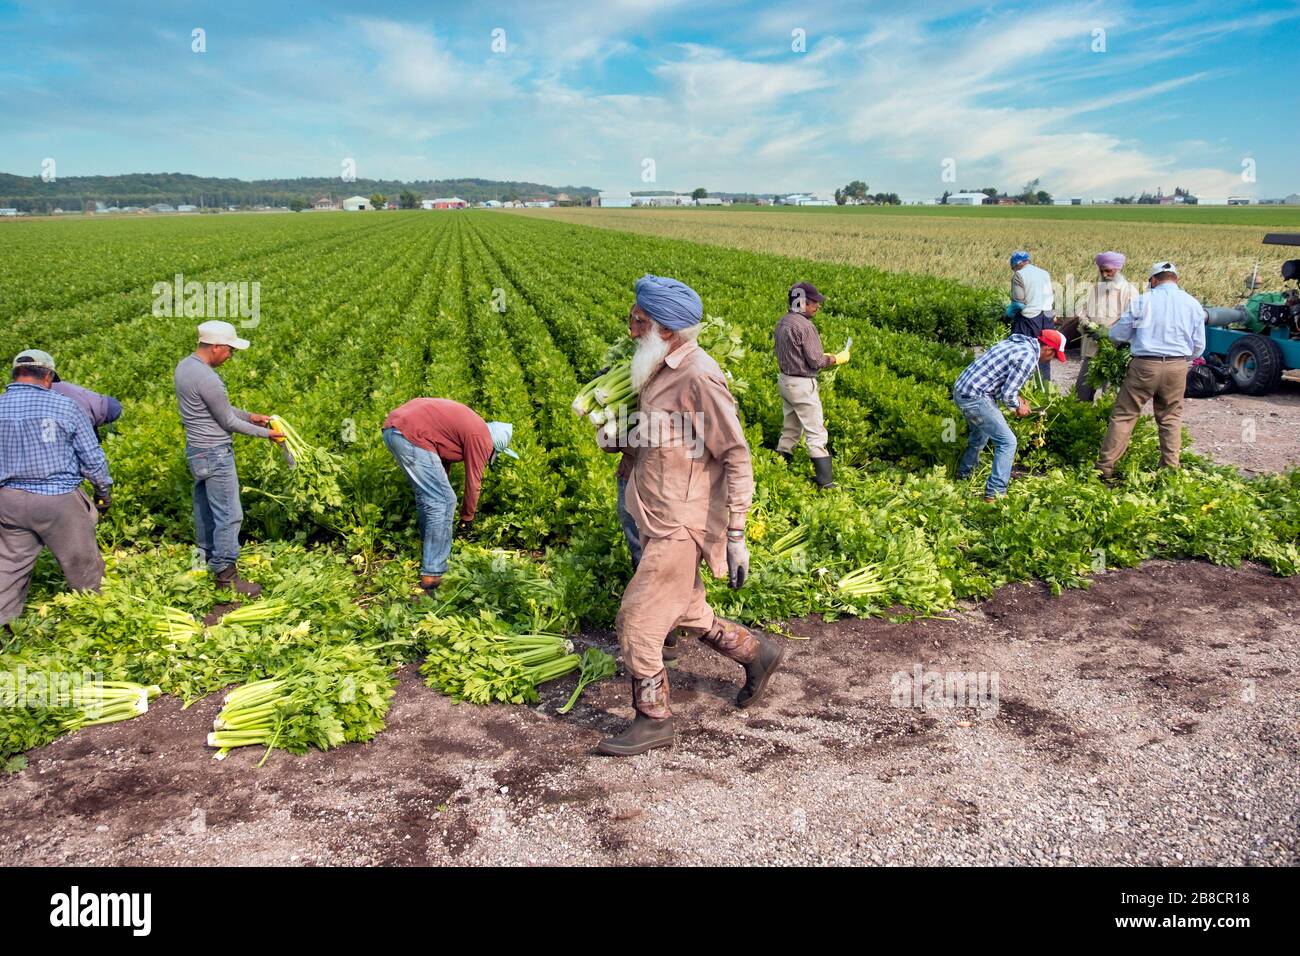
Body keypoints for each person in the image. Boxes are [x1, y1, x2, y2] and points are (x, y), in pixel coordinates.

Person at [598, 274, 785, 757]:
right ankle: (758, 653)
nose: (631, 328)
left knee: (638, 619)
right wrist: (620, 438)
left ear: (666, 327)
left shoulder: (699, 375)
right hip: (651, 508)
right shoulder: (656, 365)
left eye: (639, 321)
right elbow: (671, 435)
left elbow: (736, 454)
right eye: (632, 317)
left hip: (680, 522)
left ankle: (653, 719)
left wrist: (737, 533)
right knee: (686, 609)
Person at [0, 350, 112, 628]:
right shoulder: (65, 406)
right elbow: (92, 457)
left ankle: (4, 627)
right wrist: (103, 492)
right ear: (48, 376)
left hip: (9, 501)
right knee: (82, 563)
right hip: (57, 499)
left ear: (15, 375)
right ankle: (95, 621)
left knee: (10, 566)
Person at [174, 320, 282, 598]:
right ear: (216, 347)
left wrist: (250, 415)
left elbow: (218, 408)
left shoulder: (185, 367)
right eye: (230, 350)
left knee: (206, 510)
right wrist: (266, 433)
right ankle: (226, 577)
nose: (231, 356)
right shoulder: (208, 377)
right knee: (229, 515)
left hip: (197, 450)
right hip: (215, 452)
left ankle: (206, 560)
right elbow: (226, 420)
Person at [382, 398, 517, 597]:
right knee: (444, 500)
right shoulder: (481, 438)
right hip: (411, 434)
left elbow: (440, 465)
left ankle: (428, 547)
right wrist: (467, 518)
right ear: (494, 446)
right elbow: (473, 482)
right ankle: (433, 573)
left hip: (394, 430)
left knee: (428, 496)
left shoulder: (469, 428)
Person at [1096, 261, 1206, 481]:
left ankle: (1105, 468)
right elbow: (1198, 346)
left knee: (1125, 416)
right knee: (1170, 418)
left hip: (1145, 365)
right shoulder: (1193, 304)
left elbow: (1118, 335)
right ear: (1175, 279)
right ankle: (1169, 470)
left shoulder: (1142, 301)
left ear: (1154, 280)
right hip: (1177, 366)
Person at [953, 330, 1067, 501]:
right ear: (1049, 350)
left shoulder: (1017, 343)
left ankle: (964, 476)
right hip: (975, 397)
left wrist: (1018, 399)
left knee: (979, 436)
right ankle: (995, 493)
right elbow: (1007, 395)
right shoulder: (1029, 357)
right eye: (1054, 356)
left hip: (962, 390)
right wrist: (1018, 407)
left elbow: (1002, 381)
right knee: (1008, 442)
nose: (1051, 360)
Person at [773, 281, 849, 489]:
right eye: (814, 302)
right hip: (802, 385)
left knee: (791, 427)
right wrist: (836, 358)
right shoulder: (805, 326)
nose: (818, 306)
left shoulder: (783, 322)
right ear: (802, 302)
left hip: (785, 381)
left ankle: (778, 468)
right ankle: (825, 482)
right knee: (816, 431)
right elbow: (816, 361)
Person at [1074, 251, 1138, 401]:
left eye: (1108, 271)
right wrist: (1086, 323)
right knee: (1081, 392)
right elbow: (1082, 310)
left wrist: (1108, 332)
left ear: (1118, 270)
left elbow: (1131, 321)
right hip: (1092, 348)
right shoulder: (1095, 289)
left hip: (1114, 351)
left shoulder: (1129, 291)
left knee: (1110, 395)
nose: (1104, 274)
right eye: (1102, 270)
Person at [1008, 251, 1056, 381]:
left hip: (1029, 319)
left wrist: (1008, 313)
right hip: (1047, 317)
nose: (1013, 270)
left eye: (1013, 268)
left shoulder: (1019, 275)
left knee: (1023, 353)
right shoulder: (1044, 273)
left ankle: (1024, 385)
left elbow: (1019, 303)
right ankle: (1044, 386)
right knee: (1045, 354)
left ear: (1017, 264)